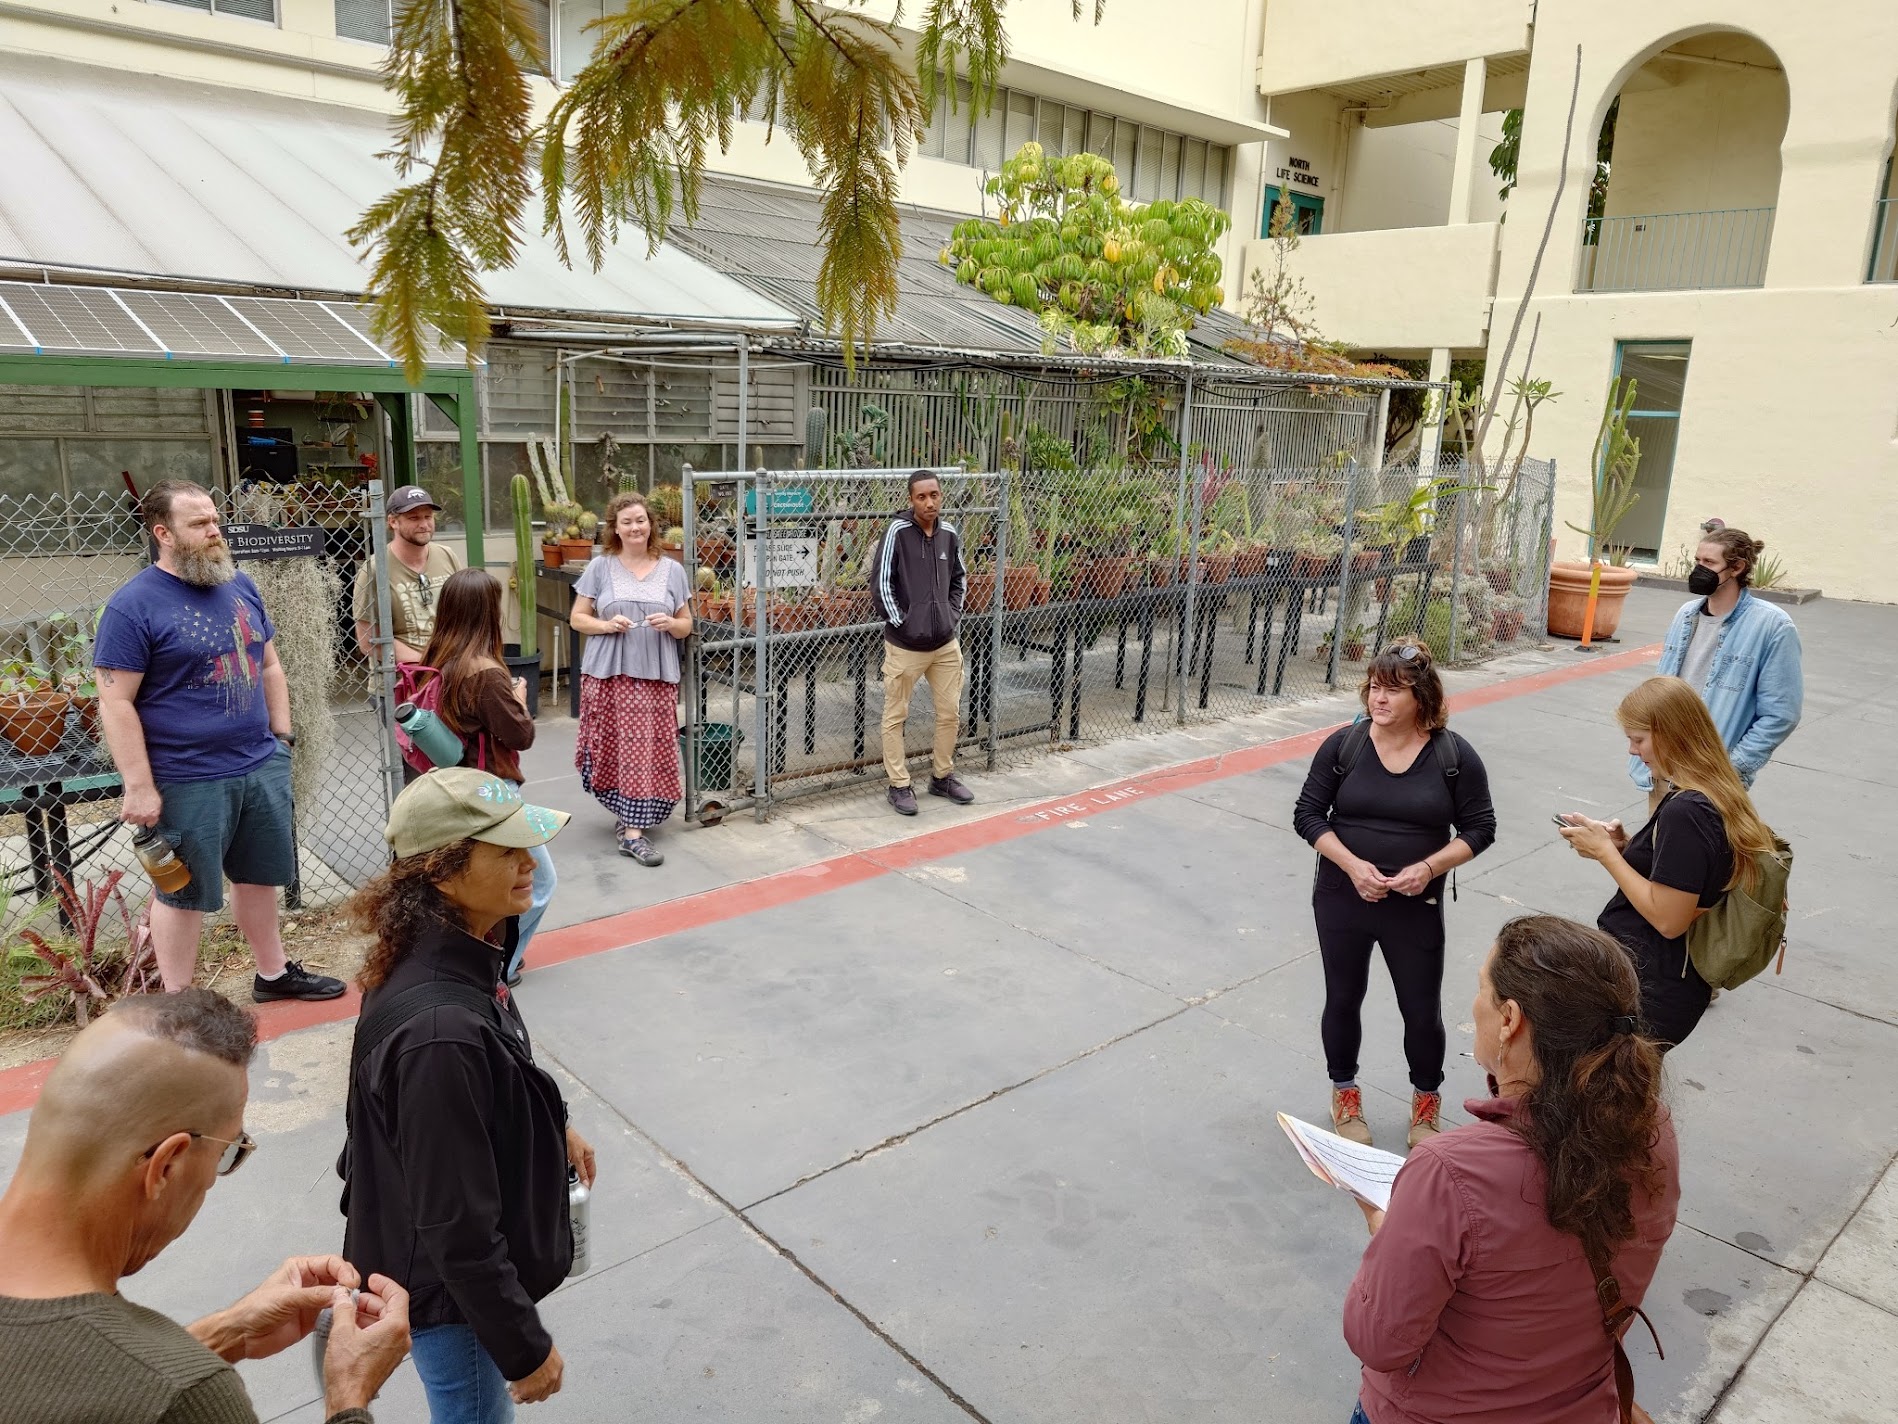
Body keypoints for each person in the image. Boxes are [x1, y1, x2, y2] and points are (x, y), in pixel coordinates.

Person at [0, 990, 412, 1424]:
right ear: (166, 1165)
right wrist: (348, 1399)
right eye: (227, 1152)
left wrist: (225, 1333)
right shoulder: (187, 1400)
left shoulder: (157, 1384)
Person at [1342, 915, 1678, 1424]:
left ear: (1510, 1019)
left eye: (1482, 989)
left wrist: (1383, 1230)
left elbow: (1377, 1341)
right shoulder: (1651, 1126)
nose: (1474, 1003)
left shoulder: (1448, 1171)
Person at [341, 768, 596, 1421]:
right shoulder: (439, 1036)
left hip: (442, 1268)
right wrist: (524, 1347)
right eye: (504, 849)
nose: (528, 863)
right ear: (444, 872)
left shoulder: (446, 951)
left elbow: (489, 1074)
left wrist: (551, 1123)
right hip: (451, 1295)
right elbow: (454, 1225)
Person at [94, 480, 345, 1003]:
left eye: (215, 520)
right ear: (163, 533)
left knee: (258, 878)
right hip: (186, 777)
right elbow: (115, 703)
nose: (215, 532)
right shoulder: (132, 606)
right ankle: (179, 1002)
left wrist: (283, 738)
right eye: (199, 524)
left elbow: (270, 664)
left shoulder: (241, 586)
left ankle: (273, 975)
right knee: (182, 893)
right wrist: (138, 785)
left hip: (259, 763)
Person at [1293, 643, 1496, 1148]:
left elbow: (1480, 827)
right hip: (1343, 893)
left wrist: (1428, 868)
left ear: (1421, 696)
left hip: (1414, 903)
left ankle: (1426, 1103)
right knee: (1343, 996)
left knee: (1420, 1008)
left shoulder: (1453, 755)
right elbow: (1308, 814)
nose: (1378, 698)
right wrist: (1352, 864)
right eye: (1374, 686)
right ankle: (1345, 1091)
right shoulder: (1346, 745)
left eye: (1393, 689)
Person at [1564, 676, 1776, 1051]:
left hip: (1653, 987)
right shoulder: (1712, 791)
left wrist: (1606, 854)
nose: (1632, 750)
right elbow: (1689, 872)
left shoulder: (1687, 810)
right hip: (1670, 981)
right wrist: (1628, 846)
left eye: (1639, 739)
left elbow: (1669, 918)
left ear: (1671, 734)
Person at [415, 568, 557, 985]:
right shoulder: (485, 672)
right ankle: (497, 968)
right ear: (486, 613)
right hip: (493, 791)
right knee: (538, 883)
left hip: (457, 786)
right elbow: (521, 735)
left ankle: (483, 959)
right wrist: (517, 700)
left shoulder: (437, 660)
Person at [1632, 524, 1801, 808]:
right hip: (1663, 768)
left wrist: (1730, 768)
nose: (1699, 569)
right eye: (1697, 561)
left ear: (1736, 568)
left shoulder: (1773, 626)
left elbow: (1781, 714)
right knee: (1653, 850)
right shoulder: (1686, 615)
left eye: (1709, 563)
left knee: (1694, 852)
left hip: (1712, 782)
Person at [566, 492, 692, 867]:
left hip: (654, 675)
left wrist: (671, 623)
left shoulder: (673, 570)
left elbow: (686, 626)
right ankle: (630, 821)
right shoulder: (601, 567)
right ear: (615, 529)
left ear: (651, 524)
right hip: (608, 674)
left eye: (641, 520)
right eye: (627, 522)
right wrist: (605, 625)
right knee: (616, 747)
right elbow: (577, 618)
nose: (635, 527)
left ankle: (633, 829)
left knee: (648, 748)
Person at [871, 470, 974, 817]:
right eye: (921, 497)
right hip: (904, 646)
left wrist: (951, 615)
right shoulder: (897, 533)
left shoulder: (949, 533)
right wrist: (904, 621)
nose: (929, 502)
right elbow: (881, 582)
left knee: (950, 713)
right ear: (911, 500)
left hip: (945, 644)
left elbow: (959, 578)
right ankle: (899, 785)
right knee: (895, 716)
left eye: (934, 495)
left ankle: (942, 777)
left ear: (941, 496)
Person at [352, 484, 463, 679]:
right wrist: (430, 668)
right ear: (393, 521)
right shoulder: (374, 570)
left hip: (451, 675)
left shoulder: (447, 556)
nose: (424, 524)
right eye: (414, 518)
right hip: (400, 684)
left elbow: (467, 616)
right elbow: (368, 641)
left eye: (428, 517)